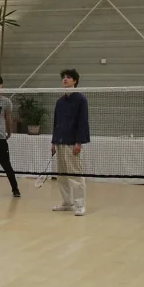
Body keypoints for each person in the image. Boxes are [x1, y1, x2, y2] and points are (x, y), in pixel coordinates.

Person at [51, 69, 89, 216]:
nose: (65, 80)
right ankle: (67, 203)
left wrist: (79, 142)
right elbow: (56, 123)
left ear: (75, 81)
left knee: (75, 175)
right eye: (63, 78)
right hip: (59, 142)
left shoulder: (81, 100)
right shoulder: (60, 102)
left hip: (72, 143)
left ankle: (80, 205)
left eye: (68, 78)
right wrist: (53, 142)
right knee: (62, 175)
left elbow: (83, 123)